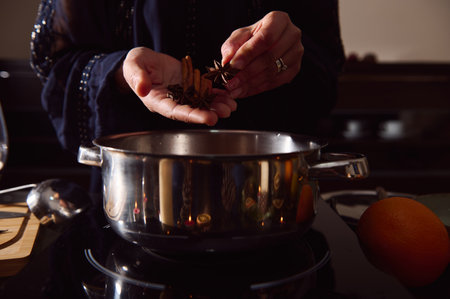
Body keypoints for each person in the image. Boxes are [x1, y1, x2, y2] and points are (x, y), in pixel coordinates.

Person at [31, 0, 345, 194]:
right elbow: (58, 66)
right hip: (132, 193)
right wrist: (119, 72)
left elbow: (325, 74)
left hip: (269, 192)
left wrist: (289, 54)